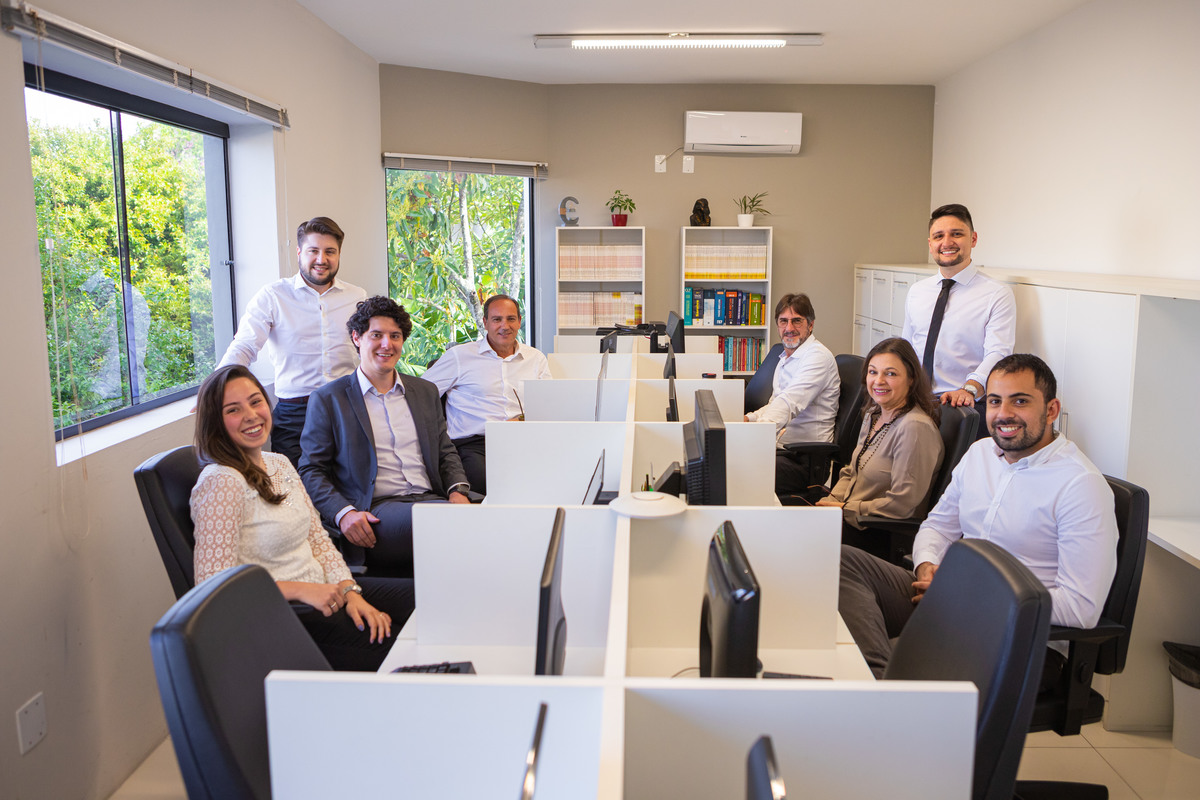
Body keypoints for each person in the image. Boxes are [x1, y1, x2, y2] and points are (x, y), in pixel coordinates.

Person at [839, 354, 1118, 678]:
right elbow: (937, 527)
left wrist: (970, 597)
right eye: (995, 401)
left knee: (895, 665)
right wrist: (927, 567)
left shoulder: (1080, 485)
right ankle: (878, 680)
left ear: (1052, 410)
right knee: (840, 561)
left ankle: (880, 684)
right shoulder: (980, 453)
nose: (1004, 413)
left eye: (1020, 401)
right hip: (950, 601)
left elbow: (1082, 608)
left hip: (1015, 635)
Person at [190, 364, 413, 672]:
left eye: (255, 401)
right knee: (411, 645)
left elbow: (317, 539)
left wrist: (349, 591)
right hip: (286, 616)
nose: (251, 415)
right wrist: (299, 589)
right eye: (233, 410)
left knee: (430, 602)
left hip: (327, 591)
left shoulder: (278, 462)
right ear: (215, 421)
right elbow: (214, 587)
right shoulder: (220, 482)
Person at [299, 296, 470, 579]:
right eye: (376, 335)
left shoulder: (425, 391)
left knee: (496, 519)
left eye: (395, 336)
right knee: (456, 527)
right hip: (377, 511)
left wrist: (457, 491)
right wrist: (344, 513)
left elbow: (444, 449)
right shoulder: (329, 399)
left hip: (433, 500)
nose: (387, 344)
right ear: (357, 338)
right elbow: (311, 470)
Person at [217, 217, 366, 467]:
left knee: (351, 479)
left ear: (339, 254)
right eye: (313, 251)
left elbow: (370, 349)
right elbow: (245, 345)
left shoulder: (357, 296)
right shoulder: (273, 296)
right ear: (299, 252)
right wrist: (216, 386)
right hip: (295, 413)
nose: (321, 259)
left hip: (347, 405)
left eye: (330, 251)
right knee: (294, 482)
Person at [816, 338, 943, 559]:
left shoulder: (914, 428)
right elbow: (851, 471)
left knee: (792, 539)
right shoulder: (874, 413)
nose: (879, 381)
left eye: (890, 374)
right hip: (850, 518)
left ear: (911, 378)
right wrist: (831, 503)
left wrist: (844, 509)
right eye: (873, 372)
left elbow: (903, 504)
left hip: (878, 532)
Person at [902, 204, 1015, 436]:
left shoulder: (996, 294)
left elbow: (998, 353)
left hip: (962, 405)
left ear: (973, 239)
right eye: (938, 236)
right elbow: (907, 347)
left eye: (956, 234)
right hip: (915, 402)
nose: (947, 242)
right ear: (930, 244)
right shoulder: (917, 291)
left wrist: (969, 389)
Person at [422, 294, 550, 495]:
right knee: (494, 484)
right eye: (497, 319)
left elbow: (548, 403)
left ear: (519, 321)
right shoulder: (460, 356)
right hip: (475, 444)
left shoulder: (535, 358)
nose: (504, 326)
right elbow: (420, 393)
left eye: (510, 319)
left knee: (549, 478)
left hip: (523, 439)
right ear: (485, 322)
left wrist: (523, 419)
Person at [744, 293, 840, 500]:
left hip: (806, 461)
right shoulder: (786, 357)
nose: (789, 328)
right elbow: (776, 402)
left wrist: (754, 435)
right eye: (783, 321)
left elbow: (789, 403)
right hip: (783, 450)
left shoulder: (817, 357)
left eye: (797, 321)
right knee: (729, 459)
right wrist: (748, 419)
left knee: (738, 469)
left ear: (810, 325)